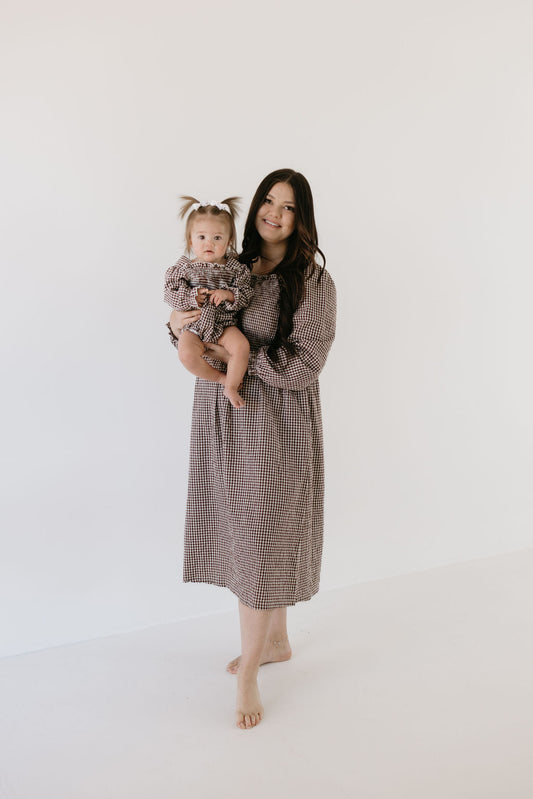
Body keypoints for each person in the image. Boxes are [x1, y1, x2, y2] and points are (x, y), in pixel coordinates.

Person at [167, 169, 337, 730]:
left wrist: (239, 360)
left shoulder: (311, 284)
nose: (274, 213)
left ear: (301, 218)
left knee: (264, 541)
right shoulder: (230, 265)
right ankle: (277, 641)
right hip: (224, 420)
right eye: (268, 200)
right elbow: (191, 319)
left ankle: (248, 679)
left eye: (288, 207)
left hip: (275, 426)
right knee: (250, 535)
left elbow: (304, 364)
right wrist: (179, 326)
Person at [164, 197, 253, 408]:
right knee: (185, 354)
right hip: (194, 326)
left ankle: (231, 385)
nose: (209, 243)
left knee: (241, 347)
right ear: (190, 240)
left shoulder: (235, 268)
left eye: (217, 237)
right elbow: (169, 293)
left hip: (224, 325)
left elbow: (247, 293)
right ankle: (221, 378)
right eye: (202, 237)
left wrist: (229, 295)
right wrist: (190, 297)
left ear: (229, 241)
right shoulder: (184, 267)